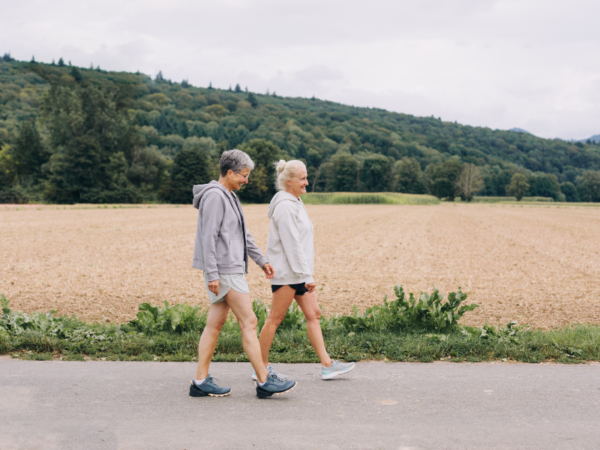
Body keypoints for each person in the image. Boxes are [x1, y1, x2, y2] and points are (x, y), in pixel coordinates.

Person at [189, 149, 297, 399]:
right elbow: (209, 238)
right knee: (249, 322)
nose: (246, 180)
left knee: (214, 325)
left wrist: (261, 261)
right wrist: (213, 274)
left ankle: (200, 381)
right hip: (226, 270)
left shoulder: (230, 196)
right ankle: (264, 380)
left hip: (228, 269)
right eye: (244, 175)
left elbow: (243, 235)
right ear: (229, 172)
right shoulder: (216, 196)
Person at [257, 159, 355, 381]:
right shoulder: (283, 206)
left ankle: (327, 365)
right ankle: (260, 367)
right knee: (275, 318)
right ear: (289, 181)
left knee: (314, 314)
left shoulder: (296, 202)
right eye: (302, 178)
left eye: (306, 177)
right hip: (288, 273)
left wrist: (305, 273)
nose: (307, 182)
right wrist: (307, 275)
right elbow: (292, 245)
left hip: (299, 273)